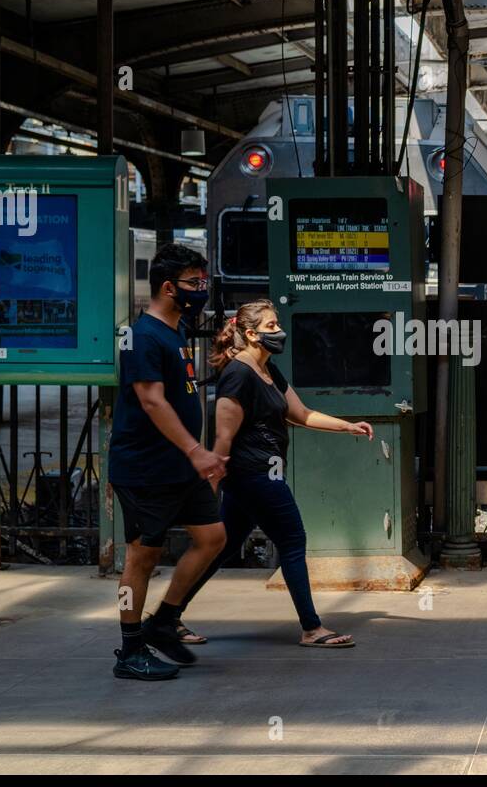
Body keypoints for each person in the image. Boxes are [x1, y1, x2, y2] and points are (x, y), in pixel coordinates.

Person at [171, 299, 371, 648]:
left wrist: (347, 427)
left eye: (277, 325)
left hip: (262, 473)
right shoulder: (237, 374)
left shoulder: (267, 369)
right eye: (270, 327)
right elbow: (223, 438)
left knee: (223, 546)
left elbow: (303, 414)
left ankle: (167, 618)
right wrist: (210, 486)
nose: (279, 332)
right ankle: (312, 628)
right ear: (250, 334)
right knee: (293, 541)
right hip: (254, 475)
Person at [109, 243, 229, 681]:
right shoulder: (143, 336)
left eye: (202, 282)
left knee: (212, 536)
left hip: (179, 466)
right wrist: (196, 450)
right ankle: (129, 647)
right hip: (145, 468)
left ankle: (164, 621)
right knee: (142, 557)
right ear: (167, 287)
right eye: (193, 283)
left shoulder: (174, 332)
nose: (201, 290)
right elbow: (152, 401)